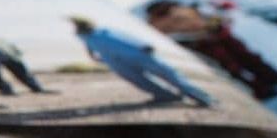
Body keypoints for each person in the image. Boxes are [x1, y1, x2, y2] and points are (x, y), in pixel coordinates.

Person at [145, 0, 277, 99]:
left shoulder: (181, 8)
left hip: (218, 35)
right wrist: (195, 38)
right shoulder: (157, 23)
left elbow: (205, 17)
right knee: (231, 67)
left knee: (248, 57)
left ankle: (272, 78)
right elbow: (169, 38)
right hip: (202, 43)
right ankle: (260, 90)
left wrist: (218, 22)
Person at [68, 16, 212, 106]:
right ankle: (166, 96)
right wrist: (96, 58)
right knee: (138, 80)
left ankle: (201, 96)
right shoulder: (84, 37)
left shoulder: (104, 31)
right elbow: (89, 49)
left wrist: (143, 45)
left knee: (168, 74)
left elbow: (125, 37)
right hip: (116, 62)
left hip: (136, 54)